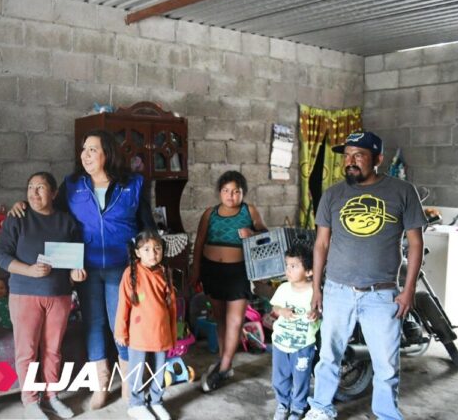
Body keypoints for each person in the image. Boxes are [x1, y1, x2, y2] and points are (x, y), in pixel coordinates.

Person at [9, 130, 155, 409]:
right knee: (94, 324)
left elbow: (146, 224)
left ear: (107, 153)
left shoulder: (133, 184)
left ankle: (128, 386)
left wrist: (148, 259)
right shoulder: (73, 184)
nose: (85, 155)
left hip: (121, 267)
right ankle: (100, 388)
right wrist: (24, 205)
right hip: (85, 267)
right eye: (83, 150)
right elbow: (51, 213)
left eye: (92, 150)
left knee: (120, 326)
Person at [304, 131, 426, 420]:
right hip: (337, 290)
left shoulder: (402, 191)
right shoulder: (333, 194)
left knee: (386, 363)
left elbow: (416, 243)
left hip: (381, 294)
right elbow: (321, 244)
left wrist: (408, 290)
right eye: (347, 155)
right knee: (328, 356)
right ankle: (321, 408)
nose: (350, 161)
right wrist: (316, 288)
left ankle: (386, 414)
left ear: (378, 159)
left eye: (359, 155)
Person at [0, 172, 86, 420]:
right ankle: (30, 402)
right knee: (27, 350)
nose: (34, 193)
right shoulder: (18, 218)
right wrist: (29, 271)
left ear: (54, 193)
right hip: (25, 293)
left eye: (41, 188)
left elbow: (75, 260)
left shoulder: (66, 222)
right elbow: (0, 255)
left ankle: (52, 396)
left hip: (59, 295)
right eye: (30, 187)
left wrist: (76, 274)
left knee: (53, 350)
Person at [191, 170, 267, 392]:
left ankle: (223, 367)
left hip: (238, 272)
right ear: (219, 193)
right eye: (226, 191)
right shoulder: (209, 213)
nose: (230, 196)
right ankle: (227, 363)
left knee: (235, 320)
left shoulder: (249, 210)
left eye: (236, 191)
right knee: (220, 319)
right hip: (212, 271)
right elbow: (198, 243)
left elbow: (265, 233)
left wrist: (251, 233)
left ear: (243, 193)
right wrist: (196, 270)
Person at [115, 230, 176, 420]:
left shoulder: (165, 273)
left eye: (157, 248)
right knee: (137, 370)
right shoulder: (130, 274)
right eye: (147, 249)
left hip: (161, 333)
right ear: (137, 252)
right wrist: (121, 331)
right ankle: (136, 404)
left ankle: (156, 401)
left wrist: (173, 335)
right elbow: (123, 304)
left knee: (159, 372)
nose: (153, 253)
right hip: (138, 334)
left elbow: (172, 307)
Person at [270, 244, 320, 420]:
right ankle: (283, 404)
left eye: (294, 266)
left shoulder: (315, 292)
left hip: (303, 345)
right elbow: (275, 308)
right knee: (280, 378)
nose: (288, 270)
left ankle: (298, 407)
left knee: (301, 378)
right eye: (287, 265)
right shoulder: (283, 288)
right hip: (280, 343)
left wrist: (316, 314)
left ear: (309, 272)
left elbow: (321, 312)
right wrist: (281, 311)